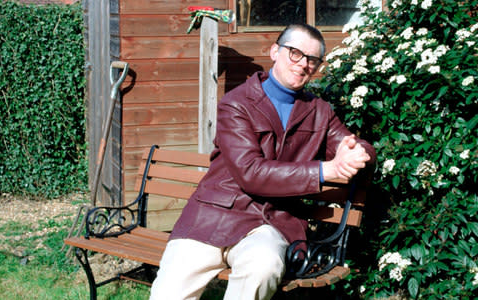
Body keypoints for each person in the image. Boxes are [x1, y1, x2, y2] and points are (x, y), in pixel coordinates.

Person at [149, 24, 376, 300]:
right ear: (274, 52)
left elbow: (355, 146)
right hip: (214, 218)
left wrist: (358, 154)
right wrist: (325, 169)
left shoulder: (320, 112)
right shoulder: (236, 104)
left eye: (312, 59)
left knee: (264, 267)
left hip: (272, 224)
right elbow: (250, 172)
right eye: (295, 53)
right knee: (168, 293)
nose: (303, 64)